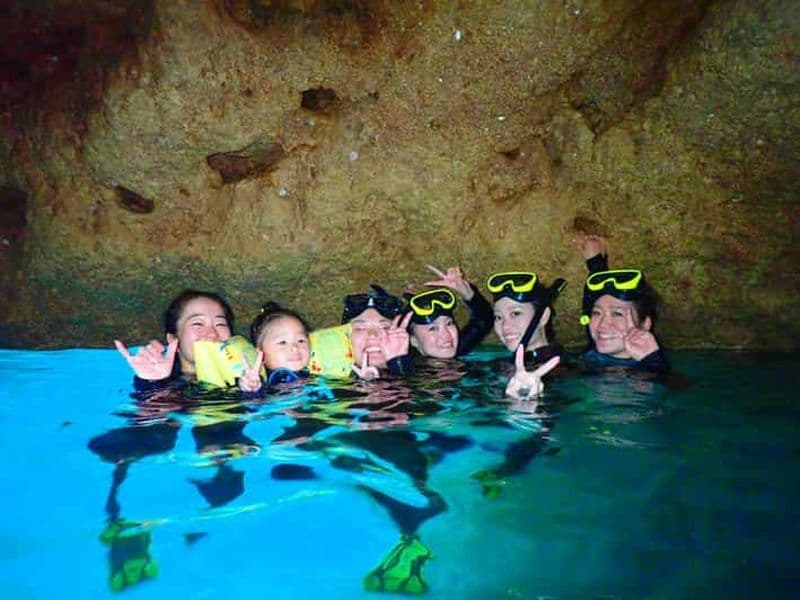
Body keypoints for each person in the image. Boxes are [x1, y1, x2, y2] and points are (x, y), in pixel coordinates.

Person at [114, 289, 235, 391]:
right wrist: (153, 384)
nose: (212, 333)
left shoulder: (243, 378)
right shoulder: (170, 387)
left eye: (220, 324)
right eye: (197, 323)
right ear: (173, 339)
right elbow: (151, 411)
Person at [487, 271, 566, 400]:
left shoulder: (562, 372)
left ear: (543, 317)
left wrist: (525, 398)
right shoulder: (500, 365)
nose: (505, 326)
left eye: (515, 313)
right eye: (498, 317)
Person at [579, 268, 670, 372]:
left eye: (617, 314)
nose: (602, 324)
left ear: (645, 324)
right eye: (596, 313)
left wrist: (653, 362)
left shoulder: (656, 369)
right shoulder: (582, 361)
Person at [406, 264, 493, 359]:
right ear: (413, 340)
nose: (446, 335)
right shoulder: (407, 365)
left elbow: (484, 320)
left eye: (449, 323)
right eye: (433, 328)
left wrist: (469, 294)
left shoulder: (455, 349)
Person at [341, 285, 413, 379]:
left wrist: (398, 364)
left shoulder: (426, 373)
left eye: (385, 327)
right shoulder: (325, 381)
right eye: (360, 328)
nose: (373, 335)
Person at [237, 302, 310, 392]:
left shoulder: (311, 373)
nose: (295, 348)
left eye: (301, 340)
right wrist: (251, 388)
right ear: (261, 355)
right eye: (282, 342)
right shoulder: (265, 384)